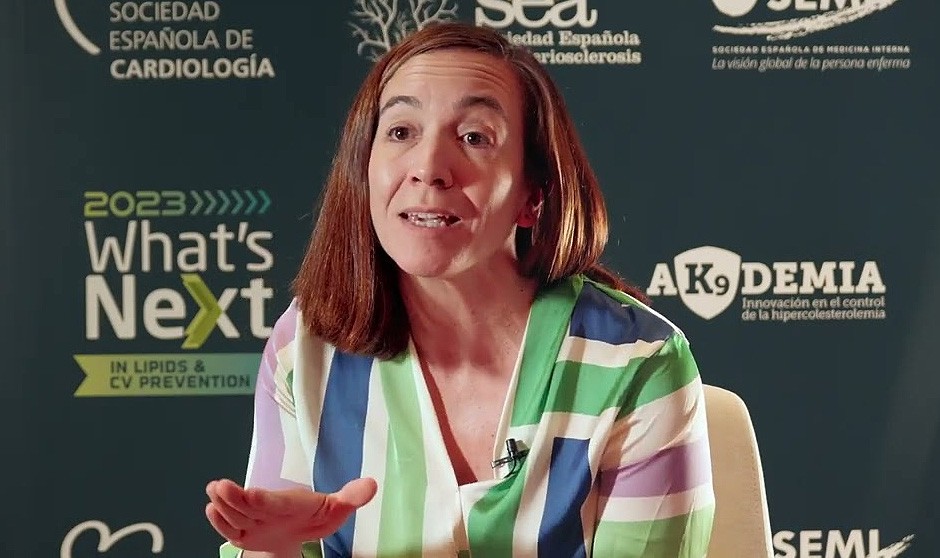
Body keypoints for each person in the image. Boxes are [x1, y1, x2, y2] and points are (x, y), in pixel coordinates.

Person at [205, 21, 714, 558]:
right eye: (401, 132)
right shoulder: (305, 347)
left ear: (533, 195)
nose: (428, 169)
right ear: (364, 169)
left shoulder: (638, 363)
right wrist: (274, 548)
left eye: (474, 138)